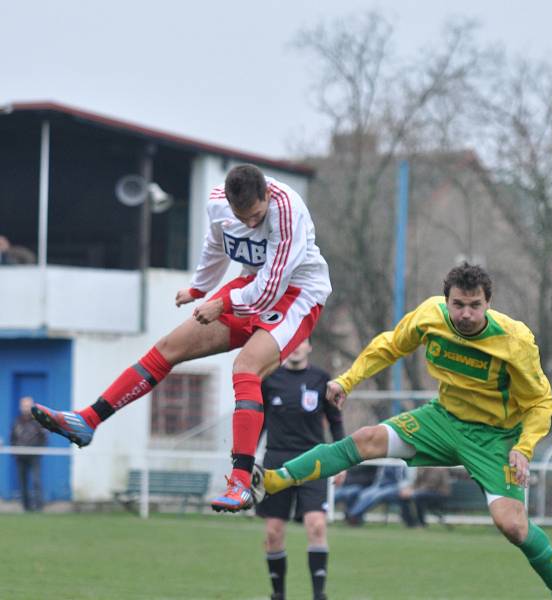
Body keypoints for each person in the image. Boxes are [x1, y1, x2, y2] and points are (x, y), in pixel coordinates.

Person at [261, 263, 552, 600]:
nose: (466, 314)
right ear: (447, 301)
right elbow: (390, 345)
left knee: (513, 526)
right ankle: (273, 479)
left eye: (475, 305)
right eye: (458, 304)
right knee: (365, 438)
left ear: (488, 304)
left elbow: (541, 403)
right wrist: (347, 379)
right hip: (442, 422)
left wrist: (524, 447)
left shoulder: (515, 340)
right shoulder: (431, 316)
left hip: (495, 439)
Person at [30, 164, 332, 512]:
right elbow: (216, 247)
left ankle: (241, 482)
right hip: (251, 286)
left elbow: (271, 287)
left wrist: (220, 303)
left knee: (245, 367)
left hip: (297, 294)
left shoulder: (288, 210)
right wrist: (198, 287)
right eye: (241, 216)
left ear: (266, 196)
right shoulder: (219, 202)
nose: (250, 223)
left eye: (255, 216)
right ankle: (89, 420)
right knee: (167, 348)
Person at [256, 338, 343, 600]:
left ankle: (319, 595)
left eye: (302, 341)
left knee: (316, 525)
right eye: (293, 340)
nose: (297, 346)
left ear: (309, 346)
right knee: (273, 532)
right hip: (276, 460)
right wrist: (245, 459)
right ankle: (278, 594)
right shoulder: (269, 378)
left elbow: (335, 420)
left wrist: (342, 459)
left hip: (313, 461)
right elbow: (257, 421)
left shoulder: (321, 378)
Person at [10, 396, 47, 511]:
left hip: (34, 456)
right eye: (24, 406)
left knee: (36, 481)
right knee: (23, 482)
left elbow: (44, 438)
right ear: (20, 407)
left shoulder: (38, 421)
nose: (26, 408)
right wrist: (15, 451)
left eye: (28, 406)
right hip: (20, 456)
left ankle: (39, 506)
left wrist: (38, 449)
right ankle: (26, 507)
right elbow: (13, 438)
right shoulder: (17, 421)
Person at [342, 464, 408, 525]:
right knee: (364, 494)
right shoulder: (385, 462)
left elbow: (402, 480)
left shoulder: (400, 463)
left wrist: (403, 488)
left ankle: (352, 514)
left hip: (394, 486)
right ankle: (356, 517)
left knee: (377, 495)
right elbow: (379, 478)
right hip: (380, 486)